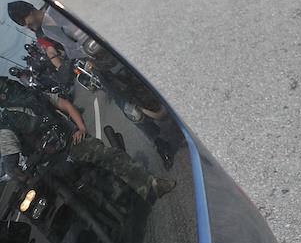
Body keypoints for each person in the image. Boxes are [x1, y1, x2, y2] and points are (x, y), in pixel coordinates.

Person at [0, 76, 174, 203]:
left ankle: (151, 185)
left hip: (71, 143)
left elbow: (65, 105)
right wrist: (22, 178)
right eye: (7, 89)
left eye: (9, 86)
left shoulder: (36, 96)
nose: (12, 89)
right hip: (49, 166)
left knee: (109, 156)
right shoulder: (6, 124)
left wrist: (81, 128)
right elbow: (10, 160)